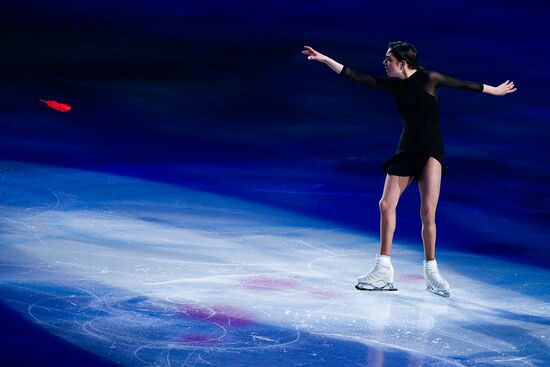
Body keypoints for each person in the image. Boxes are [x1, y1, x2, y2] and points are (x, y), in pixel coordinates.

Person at [302, 42, 516, 297]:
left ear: (403, 62)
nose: (384, 63)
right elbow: (357, 77)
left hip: (430, 152)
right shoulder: (396, 85)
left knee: (428, 213)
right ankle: (383, 269)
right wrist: (325, 59)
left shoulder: (429, 78)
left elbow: (463, 84)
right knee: (385, 205)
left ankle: (432, 272)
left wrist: (494, 90)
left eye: (388, 59)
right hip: (406, 150)